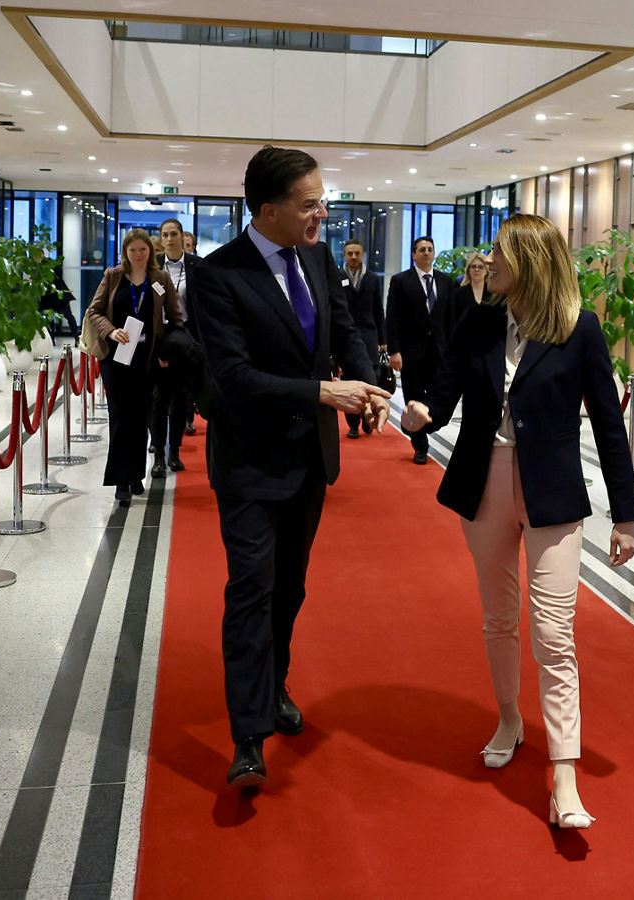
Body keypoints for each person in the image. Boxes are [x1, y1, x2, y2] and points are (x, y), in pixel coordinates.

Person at [401, 213, 634, 830]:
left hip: (552, 494)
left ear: (530, 261)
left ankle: (564, 773)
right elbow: (445, 392)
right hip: (485, 487)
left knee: (555, 633)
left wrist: (626, 516)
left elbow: (610, 428)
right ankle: (509, 716)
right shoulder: (478, 322)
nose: (489, 260)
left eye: (501, 252)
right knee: (500, 619)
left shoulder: (579, 330)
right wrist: (420, 411)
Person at [191, 146, 391, 790]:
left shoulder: (316, 257)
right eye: (309, 204)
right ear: (269, 209)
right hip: (249, 461)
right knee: (252, 588)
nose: (322, 213)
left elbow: (344, 329)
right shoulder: (218, 275)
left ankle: (273, 683)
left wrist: (367, 384)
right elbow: (235, 378)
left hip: (311, 462)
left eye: (322, 200)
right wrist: (322, 394)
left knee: (291, 587)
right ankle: (248, 734)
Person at [87, 228, 183, 506]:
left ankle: (135, 475)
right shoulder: (113, 276)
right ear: (125, 253)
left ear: (150, 252)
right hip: (115, 359)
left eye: (143, 250)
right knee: (120, 417)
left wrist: (168, 351)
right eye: (133, 250)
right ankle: (120, 481)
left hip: (146, 360)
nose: (139, 254)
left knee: (140, 418)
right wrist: (111, 331)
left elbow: (176, 318)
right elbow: (93, 311)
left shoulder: (160, 279)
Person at [385, 236, 458, 464]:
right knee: (413, 397)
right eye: (422, 250)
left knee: (438, 395)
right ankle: (420, 445)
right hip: (411, 353)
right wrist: (394, 351)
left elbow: (452, 318)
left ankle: (428, 425)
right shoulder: (401, 281)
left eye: (430, 249)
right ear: (414, 254)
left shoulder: (447, 282)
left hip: (440, 352)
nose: (427, 253)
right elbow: (392, 318)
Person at [151, 217, 201, 476]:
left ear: (183, 236)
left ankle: (174, 452)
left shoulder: (197, 266)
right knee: (160, 399)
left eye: (174, 234)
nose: (169, 239)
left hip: (186, 338)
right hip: (159, 339)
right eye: (165, 234)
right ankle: (158, 454)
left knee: (181, 398)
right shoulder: (153, 266)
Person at [341, 238, 385, 439]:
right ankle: (353, 423)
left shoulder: (373, 279)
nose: (353, 257)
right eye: (349, 253)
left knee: (371, 380)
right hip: (344, 337)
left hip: (369, 337)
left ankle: (370, 419)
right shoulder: (337, 277)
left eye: (357, 253)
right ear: (344, 255)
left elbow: (378, 310)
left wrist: (383, 340)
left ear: (363, 254)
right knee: (349, 381)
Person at [38, 260, 80, 339]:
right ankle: (51, 339)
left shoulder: (49, 263)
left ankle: (77, 337)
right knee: (50, 319)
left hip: (59, 296)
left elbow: (56, 277)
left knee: (68, 316)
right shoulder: (38, 267)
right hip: (49, 297)